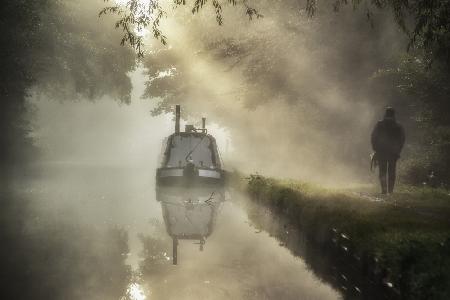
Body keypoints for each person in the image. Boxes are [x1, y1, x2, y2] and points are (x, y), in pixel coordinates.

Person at [371, 107, 405, 194]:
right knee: (392, 171)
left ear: (385, 114)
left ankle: (384, 190)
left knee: (382, 171)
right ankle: (390, 191)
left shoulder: (379, 124)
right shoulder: (398, 126)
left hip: (381, 151)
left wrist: (375, 148)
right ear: (394, 115)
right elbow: (402, 139)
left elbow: (373, 137)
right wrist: (398, 150)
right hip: (393, 152)